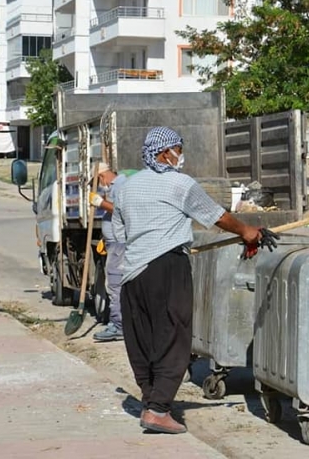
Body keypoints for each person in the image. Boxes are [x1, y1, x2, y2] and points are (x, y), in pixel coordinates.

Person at [112, 126, 278, 435]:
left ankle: (151, 402)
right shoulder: (179, 184)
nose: (180, 155)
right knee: (174, 335)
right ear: (164, 153)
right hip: (167, 269)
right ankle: (159, 410)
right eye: (178, 148)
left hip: (133, 273)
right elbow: (215, 215)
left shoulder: (125, 188)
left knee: (143, 340)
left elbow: (121, 233)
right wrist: (246, 231)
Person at [89, 162, 127, 343]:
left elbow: (121, 210)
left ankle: (118, 325)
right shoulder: (114, 186)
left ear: (102, 177)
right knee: (114, 285)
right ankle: (119, 323)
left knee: (115, 286)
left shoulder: (120, 185)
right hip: (114, 244)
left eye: (97, 181)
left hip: (120, 244)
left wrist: (100, 202)